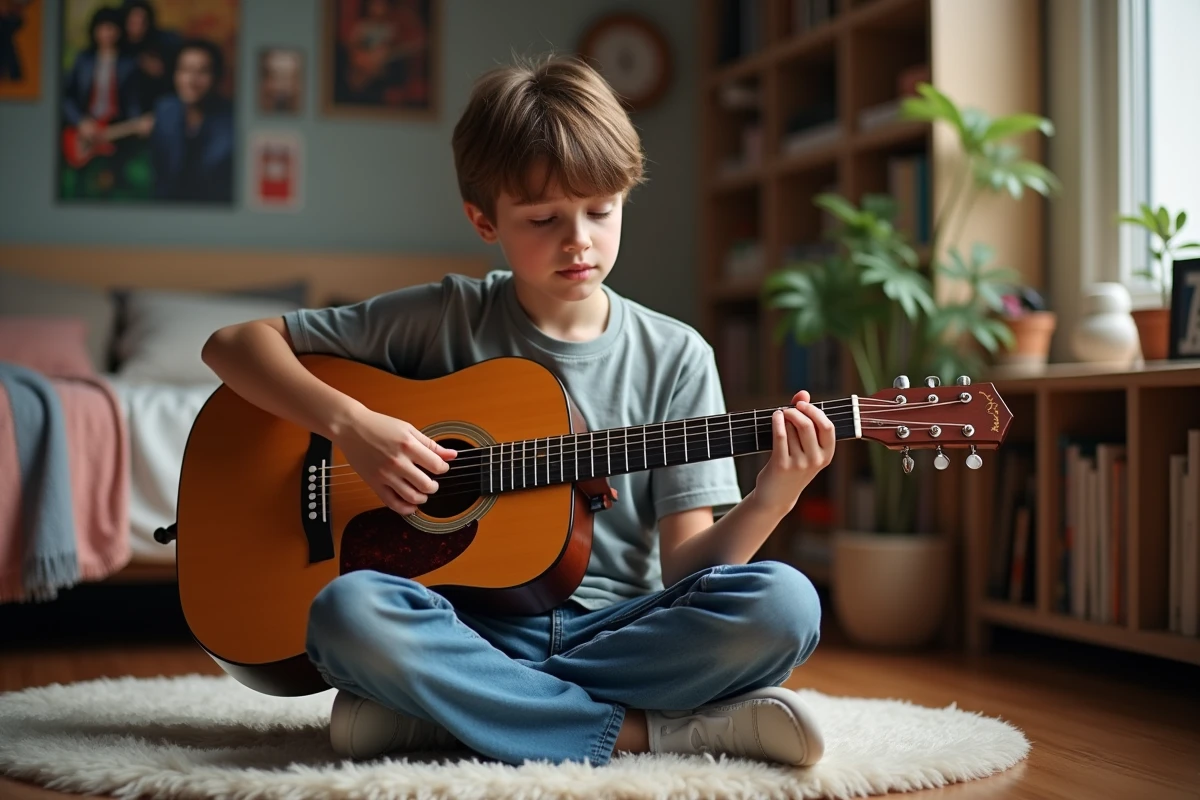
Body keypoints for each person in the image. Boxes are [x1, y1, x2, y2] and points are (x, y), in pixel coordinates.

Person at [201, 54, 834, 768]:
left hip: (619, 629)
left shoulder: (677, 354)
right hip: (465, 624)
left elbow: (688, 570)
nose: (580, 241)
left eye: (601, 210)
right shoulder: (446, 317)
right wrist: (352, 425)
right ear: (483, 219)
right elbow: (234, 345)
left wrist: (775, 497)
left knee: (785, 605)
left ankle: (448, 710)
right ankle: (650, 732)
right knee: (346, 615)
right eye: (544, 218)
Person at [143, 38, 233, 203]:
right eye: (184, 70)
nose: (191, 80)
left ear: (217, 77)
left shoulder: (231, 120)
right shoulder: (165, 109)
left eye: (203, 72)